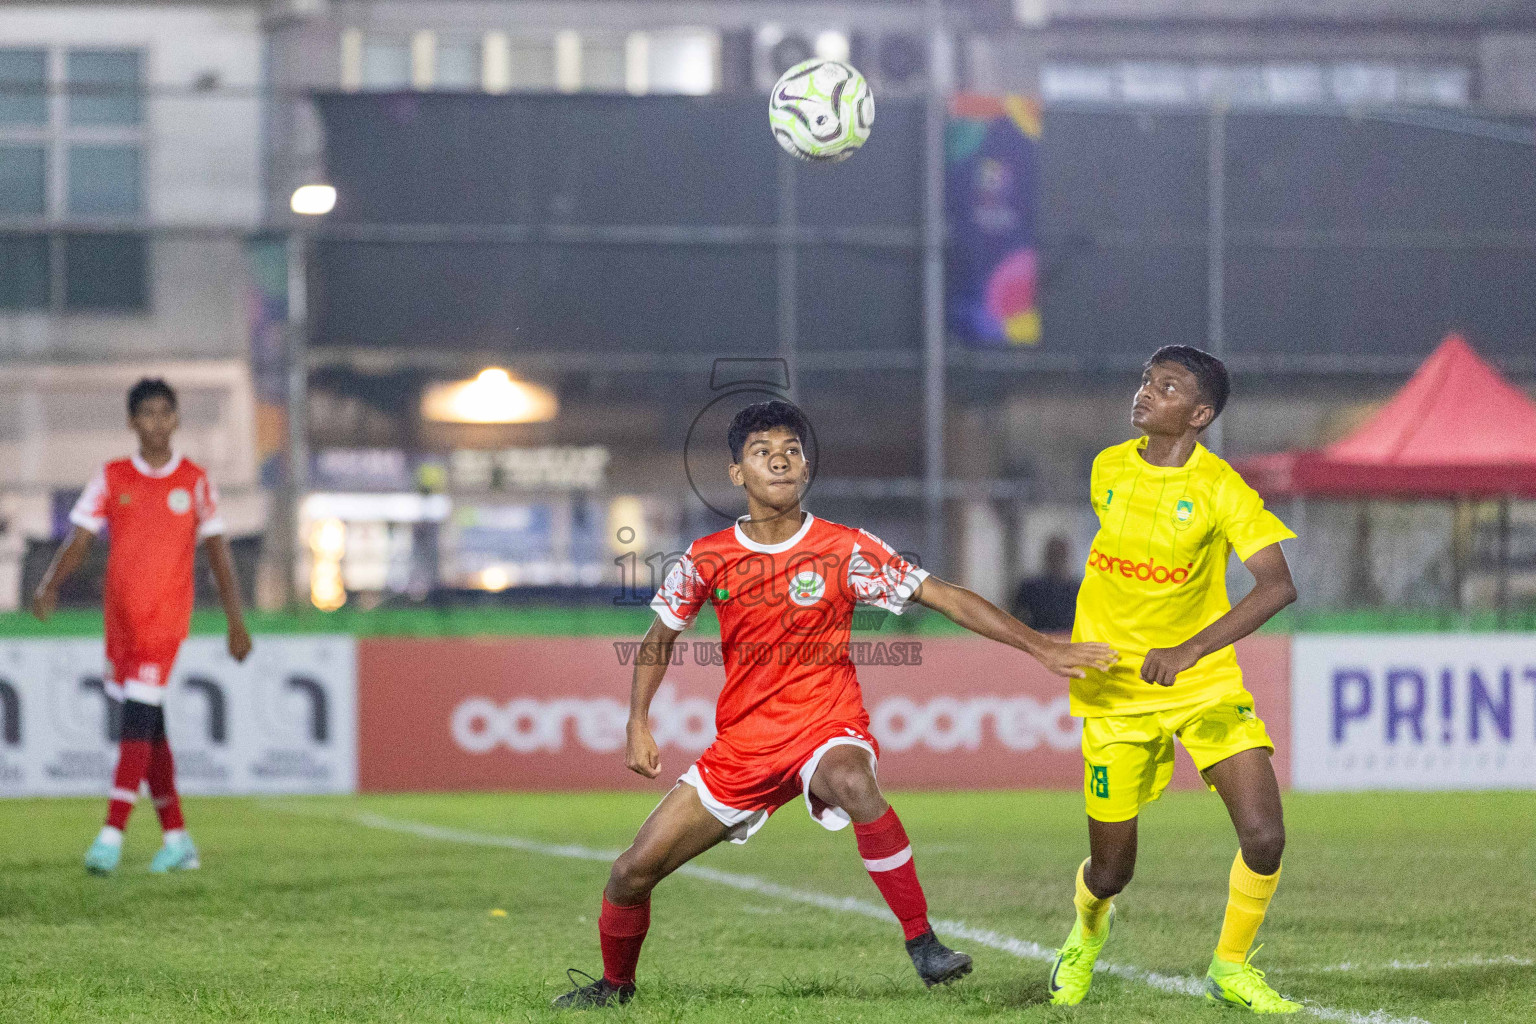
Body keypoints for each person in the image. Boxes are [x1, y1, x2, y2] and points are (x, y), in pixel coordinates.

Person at [554, 401, 1117, 1008]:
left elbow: (944, 596)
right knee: (630, 873)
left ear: (806, 468)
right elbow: (657, 641)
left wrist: (1040, 646)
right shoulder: (705, 558)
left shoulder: (844, 549)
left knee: (850, 774)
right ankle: (615, 988)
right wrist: (637, 722)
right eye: (762, 450)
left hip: (826, 722)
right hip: (743, 745)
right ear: (737, 472)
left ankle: (923, 942)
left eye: (792, 449)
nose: (780, 458)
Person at [1046, 346, 1301, 1013]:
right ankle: (1086, 933)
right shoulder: (1106, 469)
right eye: (1145, 382)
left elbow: (1277, 586)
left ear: (1199, 413)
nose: (1144, 394)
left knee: (1265, 837)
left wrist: (1188, 649)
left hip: (1202, 682)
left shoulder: (1223, 490)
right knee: (1111, 871)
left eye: (1166, 387)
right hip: (1115, 692)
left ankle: (1231, 965)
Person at [32, 378, 251, 875]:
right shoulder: (111, 477)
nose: (156, 421)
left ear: (176, 419)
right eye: (146, 413)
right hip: (122, 623)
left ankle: (111, 834)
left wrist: (236, 621)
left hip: (166, 621)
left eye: (165, 412)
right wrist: (50, 583)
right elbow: (81, 538)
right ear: (132, 421)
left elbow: (218, 552)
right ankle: (177, 839)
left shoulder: (194, 480)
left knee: (136, 717)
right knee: (150, 728)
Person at [1010, 534, 1079, 632]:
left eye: (1059, 556)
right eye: (1054, 555)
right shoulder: (1031, 588)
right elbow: (1013, 617)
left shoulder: (1078, 589)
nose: (1056, 560)